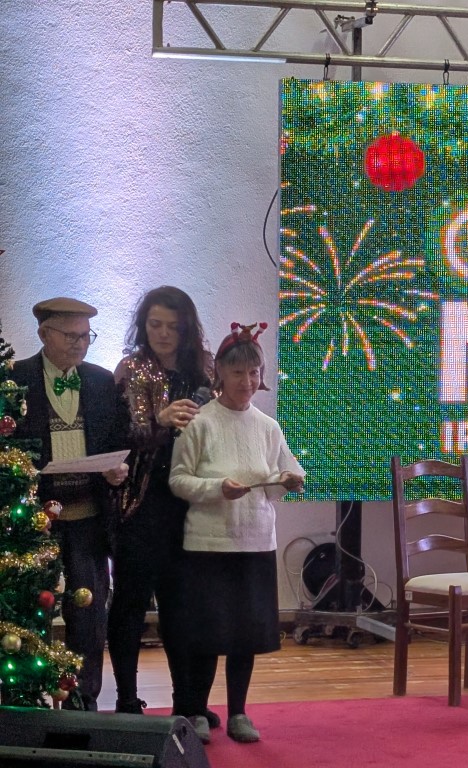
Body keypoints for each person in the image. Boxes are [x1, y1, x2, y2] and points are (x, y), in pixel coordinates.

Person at [169, 322, 304, 744]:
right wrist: (217, 489)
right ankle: (196, 711)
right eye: (238, 372)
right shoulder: (200, 422)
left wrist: (290, 481)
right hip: (208, 545)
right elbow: (178, 480)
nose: (247, 382)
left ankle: (239, 713)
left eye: (254, 373)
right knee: (207, 635)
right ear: (220, 375)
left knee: (245, 636)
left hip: (255, 543)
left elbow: (287, 472)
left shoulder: (268, 426)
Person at [11, 297, 130, 711]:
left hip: (88, 517)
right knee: (33, 610)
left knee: (89, 612)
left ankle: (84, 701)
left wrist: (116, 469)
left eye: (85, 336)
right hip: (34, 521)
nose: (80, 344)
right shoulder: (16, 378)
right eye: (71, 336)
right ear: (44, 334)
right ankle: (30, 699)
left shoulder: (99, 381)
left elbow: (117, 440)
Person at [108, 286, 216, 722]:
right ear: (143, 325)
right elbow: (116, 437)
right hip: (142, 501)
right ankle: (127, 700)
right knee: (130, 603)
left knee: (182, 607)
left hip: (192, 502)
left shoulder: (204, 368)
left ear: (187, 328)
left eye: (173, 326)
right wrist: (159, 420)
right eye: (155, 324)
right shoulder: (130, 367)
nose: (164, 334)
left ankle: (187, 703)